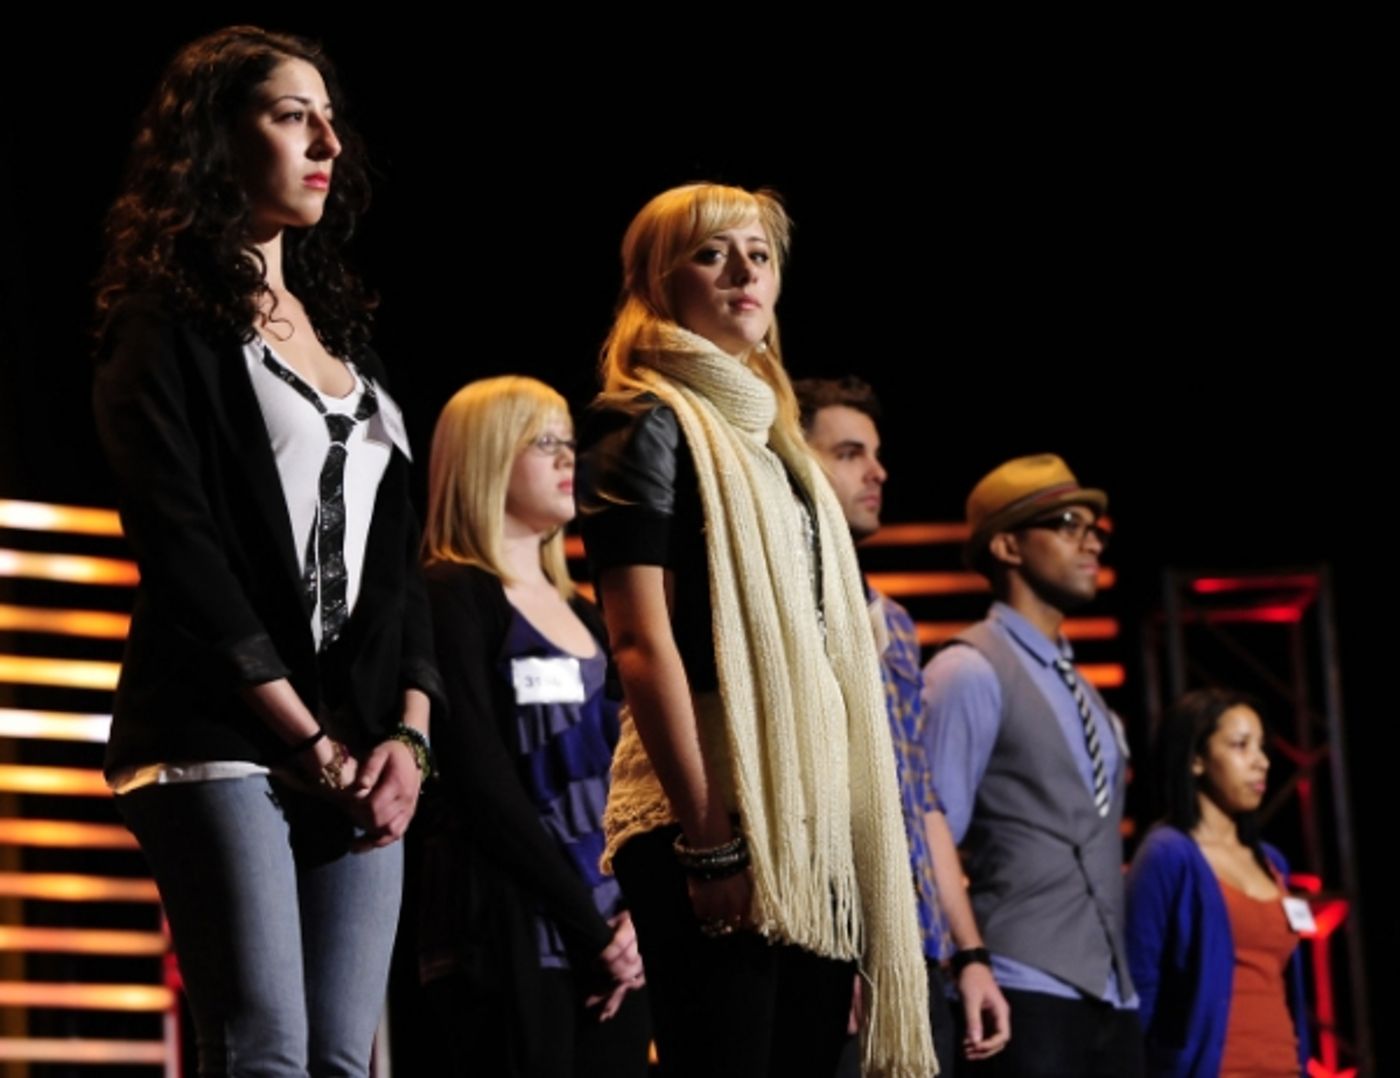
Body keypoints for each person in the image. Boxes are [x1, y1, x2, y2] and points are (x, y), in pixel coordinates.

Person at [91, 27, 441, 1077]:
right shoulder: (160, 325)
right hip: (219, 732)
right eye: (292, 115)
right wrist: (302, 738)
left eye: (329, 117)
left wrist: (409, 738)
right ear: (214, 139)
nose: (325, 139)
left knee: (342, 1058)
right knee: (265, 1051)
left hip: (358, 742)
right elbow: (180, 544)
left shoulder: (352, 350)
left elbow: (399, 573)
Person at [575, 184, 934, 1078]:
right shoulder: (640, 422)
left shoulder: (782, 454)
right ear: (660, 283)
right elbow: (639, 644)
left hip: (808, 816)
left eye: (760, 255)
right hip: (713, 806)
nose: (744, 272)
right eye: (712, 254)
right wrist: (710, 836)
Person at [417, 375, 650, 1077]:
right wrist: (590, 931)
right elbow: (480, 782)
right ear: (485, 457)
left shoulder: (589, 615)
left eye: (569, 443)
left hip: (617, 949)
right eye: (542, 442)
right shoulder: (450, 594)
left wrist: (637, 920)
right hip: (508, 937)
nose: (566, 459)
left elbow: (635, 780)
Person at [795, 376, 1011, 1075]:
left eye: (876, 453)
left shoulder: (894, 622)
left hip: (917, 951)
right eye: (850, 452)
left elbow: (922, 800)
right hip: (828, 948)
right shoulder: (781, 614)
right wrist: (840, 945)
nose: (877, 471)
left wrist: (969, 953)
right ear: (798, 461)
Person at [921, 454, 1141, 1077]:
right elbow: (929, 829)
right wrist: (970, 960)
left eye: (1095, 526)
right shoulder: (967, 670)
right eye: (1069, 523)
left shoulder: (1090, 697)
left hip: (1110, 991)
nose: (1091, 539)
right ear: (1007, 546)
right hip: (1020, 984)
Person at [1126, 689, 1310, 1077]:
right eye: (1241, 746)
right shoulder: (1167, 854)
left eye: (1261, 747)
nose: (1260, 762)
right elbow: (1139, 985)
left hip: (1284, 1066)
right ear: (1196, 759)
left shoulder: (1273, 862)